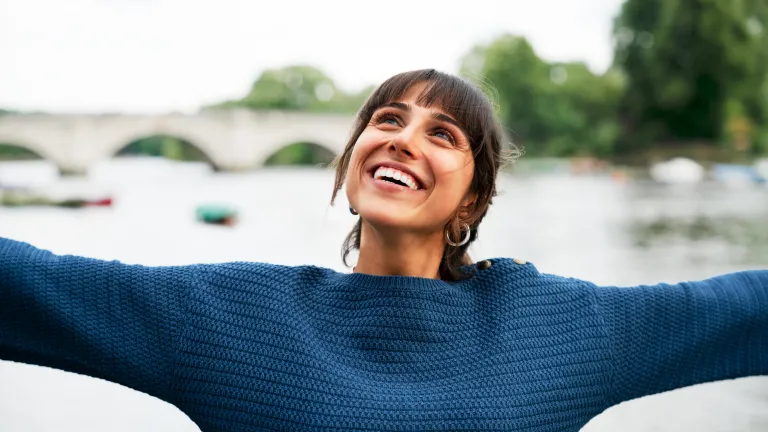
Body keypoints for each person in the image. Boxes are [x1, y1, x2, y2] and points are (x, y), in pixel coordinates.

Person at [1, 69, 766, 432]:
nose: (402, 137)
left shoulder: (553, 327)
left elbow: (734, 311)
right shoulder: (235, 317)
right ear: (355, 155)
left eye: (442, 133)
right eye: (387, 120)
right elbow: (35, 286)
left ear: (472, 199)